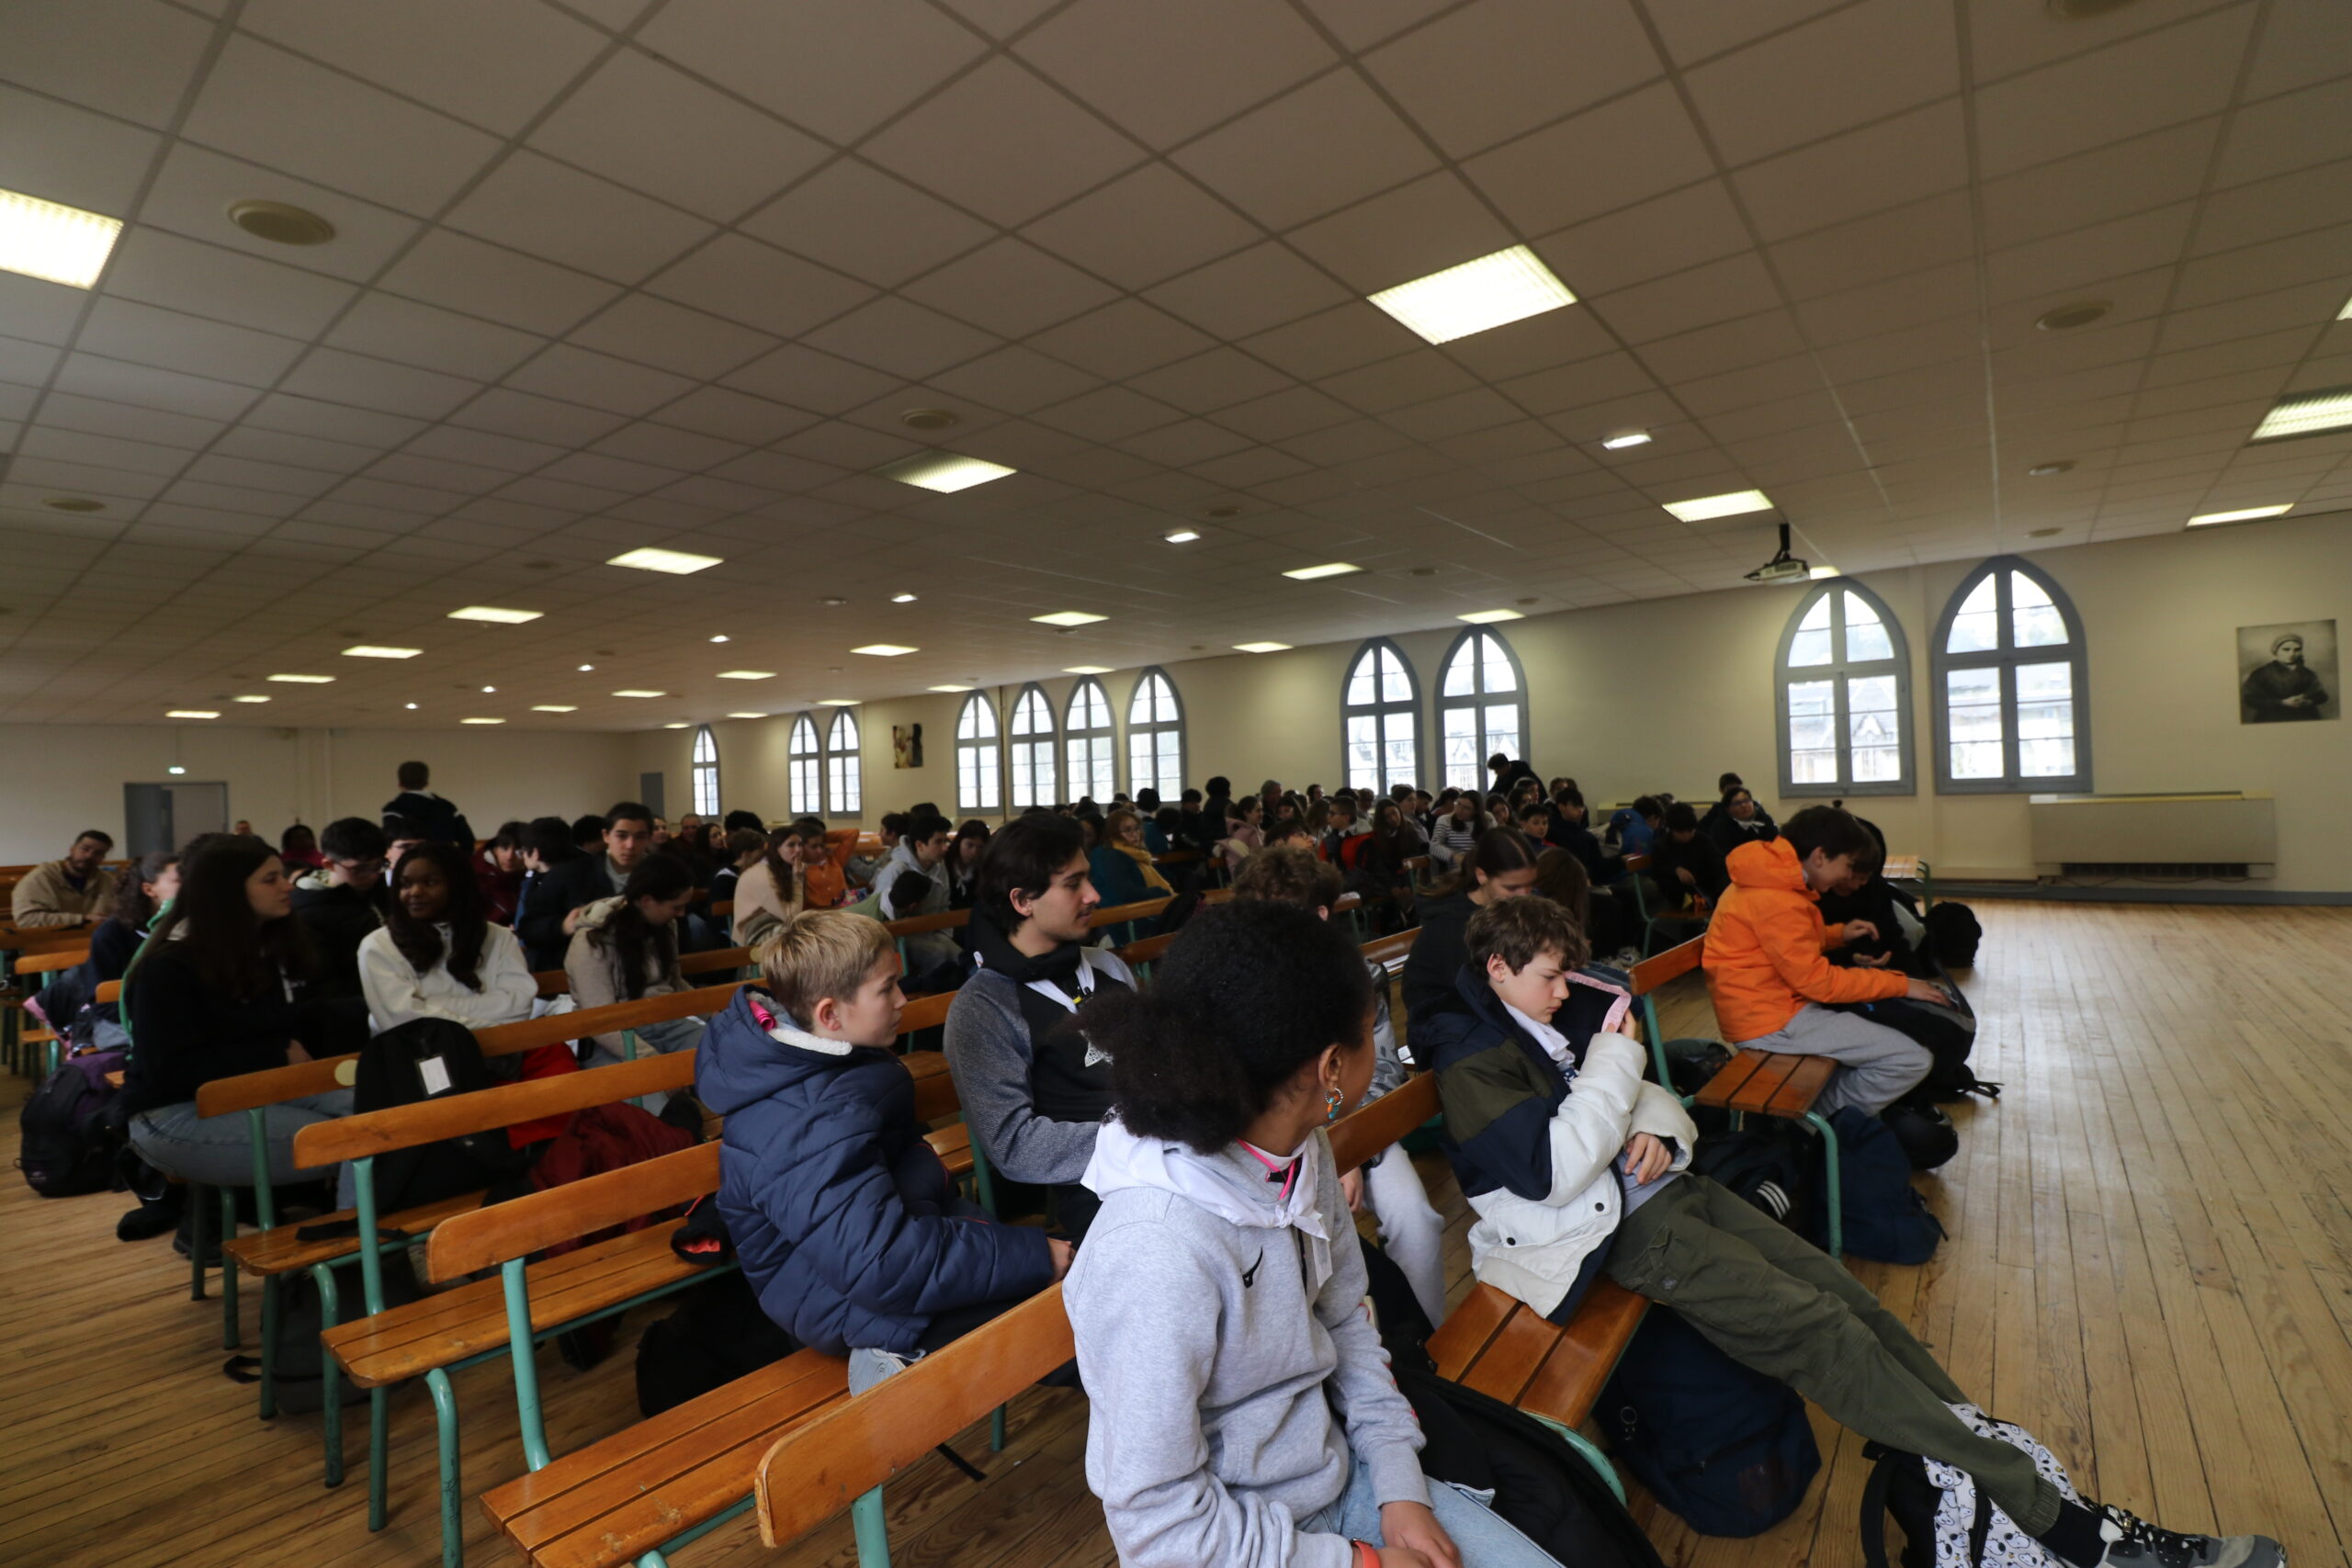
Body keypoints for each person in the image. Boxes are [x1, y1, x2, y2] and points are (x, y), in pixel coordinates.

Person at [1429, 896, 2279, 1568]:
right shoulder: (1472, 1053)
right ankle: (2054, 1520)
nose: (1565, 990)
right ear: (1498, 967)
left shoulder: (1546, 1015)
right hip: (1612, 1237)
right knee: (1821, 1330)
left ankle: (1980, 1458)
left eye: (1567, 975)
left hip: (1664, 1190)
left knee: (1852, 1303)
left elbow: (1647, 1099)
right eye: (1550, 976)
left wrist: (1651, 1122)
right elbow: (1555, 1167)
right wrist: (1620, 1070)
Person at [1067, 899, 1567, 1568]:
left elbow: (1346, 1319)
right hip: (1234, 1544)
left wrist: (1398, 1483)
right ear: (1332, 1067)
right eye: (1370, 1030)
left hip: (1345, 1475)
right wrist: (1359, 1562)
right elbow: (1160, 1529)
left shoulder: (1301, 1150)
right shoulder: (1156, 1249)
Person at [698, 912, 1068, 1393]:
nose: (902, 999)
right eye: (886, 988)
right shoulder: (807, 1122)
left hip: (900, 1252)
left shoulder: (831, 1060)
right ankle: (888, 1350)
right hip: (858, 1300)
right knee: (1081, 1331)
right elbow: (881, 1263)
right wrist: (1033, 1256)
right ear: (830, 1015)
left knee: (1098, 1292)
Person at [1233, 847, 1447, 1323]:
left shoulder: (1361, 978)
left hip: (1356, 1129)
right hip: (1276, 1151)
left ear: (1320, 916)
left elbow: (1384, 1071)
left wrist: (1346, 1148)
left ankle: (1430, 1343)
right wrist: (1323, 1154)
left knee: (1416, 1222)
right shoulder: (1242, 987)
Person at [119, 836, 359, 1235]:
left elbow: (276, 1031)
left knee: (383, 1111)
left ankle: (366, 1243)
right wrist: (275, 1055)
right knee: (358, 1138)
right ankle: (357, 1254)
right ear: (228, 892)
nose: (287, 886)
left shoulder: (259, 952)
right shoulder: (166, 969)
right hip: (175, 1114)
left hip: (254, 1091)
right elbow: (171, 1070)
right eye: (270, 879)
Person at [944, 816, 1137, 1242]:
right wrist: (1140, 1142)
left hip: (1173, 1152)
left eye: (1088, 878)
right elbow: (1015, 1145)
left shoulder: (1107, 966)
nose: (1093, 895)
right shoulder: (984, 1006)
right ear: (1022, 901)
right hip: (1098, 1186)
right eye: (1073, 884)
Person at [1703, 805, 1943, 1116]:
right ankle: (1818, 1119)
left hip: (1770, 1009)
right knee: (1911, 1059)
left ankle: (1814, 1112)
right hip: (1772, 1022)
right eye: (1848, 866)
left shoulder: (1766, 879)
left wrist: (1837, 935)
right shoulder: (1777, 898)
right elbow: (1820, 983)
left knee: (1886, 1037)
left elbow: (1781, 943)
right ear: (1820, 856)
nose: (1848, 876)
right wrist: (1901, 984)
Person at [358, 841, 536, 1032]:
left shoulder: (499, 937)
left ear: (458, 885)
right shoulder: (379, 946)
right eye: (405, 884)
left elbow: (519, 1007)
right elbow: (405, 1022)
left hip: (503, 1047)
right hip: (419, 1050)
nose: (415, 892)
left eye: (430, 882)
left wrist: (429, 1004)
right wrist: (489, 1025)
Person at [565, 854, 704, 1089]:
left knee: (726, 1061)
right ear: (647, 901)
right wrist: (652, 1060)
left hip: (666, 1022)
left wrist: (716, 1015)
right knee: (655, 1093)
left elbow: (675, 983)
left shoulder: (665, 925)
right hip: (614, 1037)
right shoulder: (591, 941)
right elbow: (601, 1021)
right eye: (676, 907)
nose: (682, 914)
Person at [28, 850, 179, 1040]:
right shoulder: (112, 933)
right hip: (121, 1022)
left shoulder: (188, 927)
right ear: (149, 890)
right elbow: (104, 1003)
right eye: (179, 881)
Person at [1399, 829, 1540, 1030]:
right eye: (1511, 888)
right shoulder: (1452, 926)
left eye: (1530, 886)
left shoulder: (1507, 906)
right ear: (1482, 876)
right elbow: (1483, 995)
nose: (1524, 896)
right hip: (1445, 1022)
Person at [517, 801, 656, 972]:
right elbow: (529, 929)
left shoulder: (660, 876)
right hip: (574, 970)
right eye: (621, 836)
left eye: (640, 837)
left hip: (642, 967)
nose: (630, 845)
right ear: (606, 836)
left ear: (649, 838)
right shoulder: (570, 873)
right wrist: (563, 926)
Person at [290, 817, 388, 1003]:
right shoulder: (308, 909)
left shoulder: (381, 892)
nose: (373, 875)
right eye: (360, 869)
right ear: (329, 865)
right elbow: (325, 983)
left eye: (379, 866)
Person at [869, 811, 956, 972]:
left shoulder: (940, 868)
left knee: (959, 956)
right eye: (938, 842)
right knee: (938, 954)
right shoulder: (896, 869)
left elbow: (944, 905)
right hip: (901, 936)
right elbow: (880, 912)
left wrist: (945, 935)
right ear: (920, 845)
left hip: (931, 932)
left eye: (946, 841)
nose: (945, 847)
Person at [10, 829, 119, 929]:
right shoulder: (40, 878)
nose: (89, 855)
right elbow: (26, 920)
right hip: (52, 939)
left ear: (103, 858)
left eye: (98, 853)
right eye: (85, 849)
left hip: (95, 937)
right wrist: (82, 919)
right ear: (72, 849)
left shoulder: (108, 881)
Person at [731, 823, 808, 950]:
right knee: (810, 938)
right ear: (776, 849)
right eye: (791, 845)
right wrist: (798, 881)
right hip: (756, 934)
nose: (798, 849)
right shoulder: (762, 874)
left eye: (800, 844)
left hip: (776, 926)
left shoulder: (781, 869)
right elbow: (790, 918)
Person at [1089, 807, 1174, 908]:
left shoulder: (1133, 853)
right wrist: (1160, 892)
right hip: (1122, 913)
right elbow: (1127, 894)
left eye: (1137, 828)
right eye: (1128, 830)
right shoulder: (1111, 855)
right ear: (1114, 833)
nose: (1135, 834)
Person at [381, 760, 473, 850]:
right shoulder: (447, 807)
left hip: (413, 858)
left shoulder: (393, 809)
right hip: (446, 857)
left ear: (400, 784)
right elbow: (467, 840)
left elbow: (391, 843)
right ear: (426, 783)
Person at [1649, 800, 1728, 903]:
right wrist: (1675, 870)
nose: (1686, 836)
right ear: (1671, 829)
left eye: (1690, 831)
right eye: (1681, 832)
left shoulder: (1704, 840)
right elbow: (1657, 871)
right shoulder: (1661, 846)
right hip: (1678, 893)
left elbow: (1719, 864)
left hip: (1707, 889)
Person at [2241, 632, 2329, 721]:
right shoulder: (2261, 673)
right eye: (2286, 649)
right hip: (2272, 718)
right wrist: (2281, 703)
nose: (2292, 653)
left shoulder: (2308, 673)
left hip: (2305, 718)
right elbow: (2250, 699)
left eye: (2297, 650)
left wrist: (2308, 701)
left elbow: (2322, 696)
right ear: (2276, 651)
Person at [472, 825, 525, 925]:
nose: (509, 857)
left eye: (518, 851)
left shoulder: (530, 875)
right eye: (504, 848)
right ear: (495, 849)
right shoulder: (476, 875)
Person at [1704, 786, 1778, 858]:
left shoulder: (1764, 819)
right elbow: (1726, 854)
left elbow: (1776, 844)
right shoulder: (1721, 826)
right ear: (1728, 809)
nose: (1744, 805)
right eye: (1737, 803)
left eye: (1747, 801)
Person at [794, 816, 847, 909]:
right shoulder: (798, 869)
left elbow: (853, 834)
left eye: (822, 845)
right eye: (814, 846)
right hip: (821, 913)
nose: (820, 850)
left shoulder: (832, 859)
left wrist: (821, 835)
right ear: (800, 848)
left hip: (845, 907)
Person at [846, 813, 906, 888]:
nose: (879, 834)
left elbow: (870, 874)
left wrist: (847, 855)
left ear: (892, 834)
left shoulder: (894, 855)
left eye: (882, 830)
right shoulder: (893, 850)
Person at [1426, 792, 1483, 869]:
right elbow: (1434, 846)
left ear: (1476, 811)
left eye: (1466, 808)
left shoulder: (1487, 819)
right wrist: (1454, 855)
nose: (1460, 810)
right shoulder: (1445, 820)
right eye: (1458, 804)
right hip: (1457, 869)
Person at [711, 829, 766, 908]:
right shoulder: (724, 879)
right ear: (746, 854)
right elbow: (719, 909)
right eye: (758, 858)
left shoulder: (752, 874)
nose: (760, 862)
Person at [1215, 794, 1265, 877]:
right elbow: (1237, 869)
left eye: (1262, 810)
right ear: (1246, 813)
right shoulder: (1239, 836)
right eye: (1258, 811)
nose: (1262, 814)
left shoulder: (1261, 833)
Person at [944, 819, 990, 909]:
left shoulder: (982, 869)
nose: (974, 852)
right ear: (959, 842)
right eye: (969, 845)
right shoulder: (945, 863)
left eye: (980, 847)